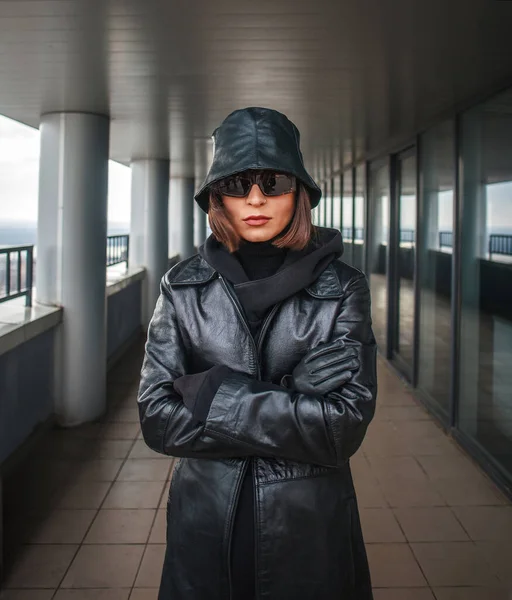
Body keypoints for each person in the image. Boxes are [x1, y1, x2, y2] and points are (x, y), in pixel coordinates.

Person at [137, 106, 377, 600]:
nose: (254, 199)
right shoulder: (182, 288)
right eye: (237, 183)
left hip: (307, 525)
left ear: (300, 193)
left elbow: (341, 426)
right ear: (216, 197)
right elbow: (158, 418)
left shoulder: (342, 289)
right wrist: (290, 394)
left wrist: (210, 394)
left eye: (272, 182)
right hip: (205, 519)